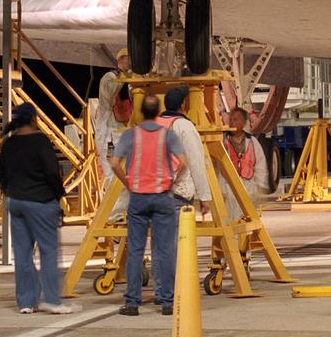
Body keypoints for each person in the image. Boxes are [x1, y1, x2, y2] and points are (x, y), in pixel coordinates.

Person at [111, 94, 187, 316]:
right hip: (163, 196)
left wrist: (127, 181)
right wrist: (172, 178)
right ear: (157, 112)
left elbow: (114, 163)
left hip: (138, 198)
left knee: (135, 250)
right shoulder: (169, 135)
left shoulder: (130, 135)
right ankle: (167, 302)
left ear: (141, 112)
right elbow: (184, 162)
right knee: (164, 250)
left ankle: (133, 302)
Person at [0, 102, 74, 313]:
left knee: (22, 253)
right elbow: (51, 172)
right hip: (40, 202)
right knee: (48, 251)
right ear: (33, 119)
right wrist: (58, 196)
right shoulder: (40, 141)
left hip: (16, 201)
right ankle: (52, 300)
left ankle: (26, 302)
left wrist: (10, 191)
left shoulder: (8, 143)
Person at [160, 86, 212, 215]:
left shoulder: (153, 124)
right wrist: (204, 197)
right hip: (177, 196)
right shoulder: (184, 126)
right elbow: (195, 162)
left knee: (161, 235)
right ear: (183, 104)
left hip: (154, 194)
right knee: (179, 235)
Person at [95, 47, 135, 184]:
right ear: (120, 60)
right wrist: (125, 77)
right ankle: (114, 205)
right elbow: (111, 93)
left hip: (122, 131)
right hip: (109, 133)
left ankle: (123, 204)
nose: (130, 64)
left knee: (126, 171)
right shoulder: (109, 77)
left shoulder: (129, 82)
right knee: (112, 173)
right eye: (128, 60)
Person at [223, 106, 268, 201]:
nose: (231, 122)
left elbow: (260, 164)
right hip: (228, 187)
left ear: (243, 122)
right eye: (230, 119)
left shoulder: (252, 141)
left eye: (235, 119)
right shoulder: (222, 141)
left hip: (249, 187)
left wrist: (260, 187)